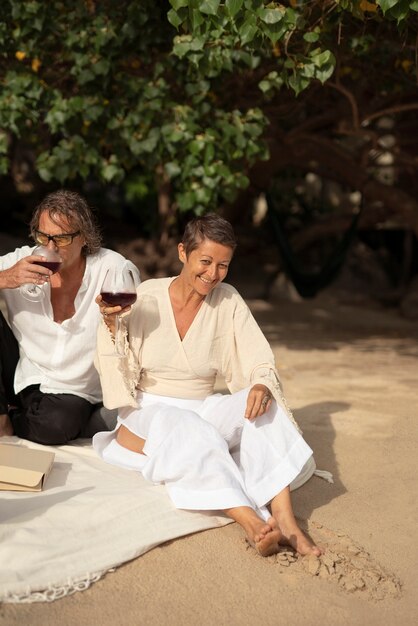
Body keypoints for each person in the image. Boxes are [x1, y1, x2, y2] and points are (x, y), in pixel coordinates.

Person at [93, 213, 321, 557]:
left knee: (263, 402)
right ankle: (251, 523)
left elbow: (260, 358)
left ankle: (286, 519)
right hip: (145, 414)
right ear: (183, 252)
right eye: (205, 261)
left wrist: (260, 384)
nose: (213, 274)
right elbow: (117, 359)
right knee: (187, 427)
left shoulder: (227, 300)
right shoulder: (147, 295)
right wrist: (112, 325)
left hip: (202, 406)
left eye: (223, 265)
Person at [0, 189, 139, 444]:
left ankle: (18, 419)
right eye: (43, 236)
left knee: (57, 425)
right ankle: (4, 419)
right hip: (23, 375)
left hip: (75, 391)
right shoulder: (23, 260)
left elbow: (136, 331)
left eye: (62, 240)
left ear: (84, 237)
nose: (50, 248)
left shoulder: (112, 270)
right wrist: (5, 278)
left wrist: (116, 321)